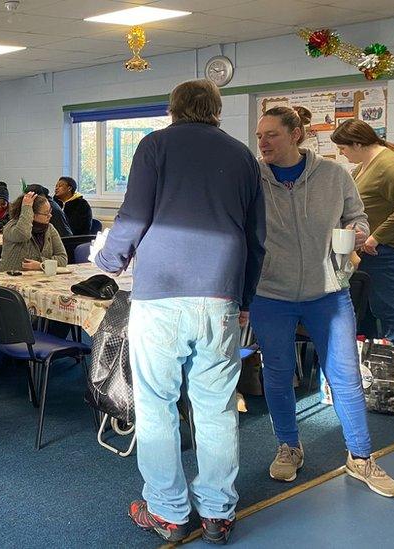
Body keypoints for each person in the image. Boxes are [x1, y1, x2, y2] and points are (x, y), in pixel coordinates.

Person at [94, 79, 265, 544]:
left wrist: (109, 262)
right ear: (217, 110)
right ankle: (217, 513)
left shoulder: (155, 146)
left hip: (161, 296)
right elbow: (256, 239)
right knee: (215, 408)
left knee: (156, 405)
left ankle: (169, 512)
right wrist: (244, 299)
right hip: (220, 298)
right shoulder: (243, 156)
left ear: (173, 109)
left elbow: (133, 215)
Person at [252, 107, 394, 497]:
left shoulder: (334, 175)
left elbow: (359, 216)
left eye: (271, 135)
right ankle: (288, 446)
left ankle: (361, 456)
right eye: (259, 135)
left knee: (346, 376)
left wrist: (357, 230)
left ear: (296, 134)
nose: (263, 143)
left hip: (329, 294)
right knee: (278, 375)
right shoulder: (253, 179)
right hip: (271, 294)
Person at [332, 119, 394, 408]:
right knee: (378, 318)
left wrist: (375, 237)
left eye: (344, 148)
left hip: (386, 253)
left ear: (358, 144)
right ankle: (386, 388)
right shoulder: (368, 165)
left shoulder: (389, 165)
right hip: (374, 254)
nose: (343, 154)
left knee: (393, 317)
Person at [0, 192, 67, 273]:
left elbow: (63, 259)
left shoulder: (50, 228)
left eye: (50, 212)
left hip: (38, 280)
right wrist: (27, 207)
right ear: (32, 214)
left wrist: (41, 265)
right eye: (46, 213)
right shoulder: (12, 226)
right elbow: (23, 234)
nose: (50, 216)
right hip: (7, 279)